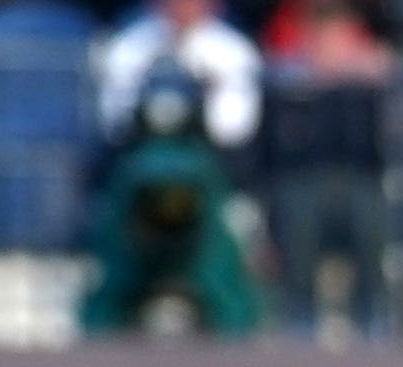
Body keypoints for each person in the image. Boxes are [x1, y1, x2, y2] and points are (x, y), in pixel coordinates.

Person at [265, 0, 403, 333]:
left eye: (336, 33)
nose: (328, 44)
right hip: (303, 184)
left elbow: (396, 140)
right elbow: (272, 150)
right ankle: (300, 317)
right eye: (320, 33)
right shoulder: (287, 82)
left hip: (362, 182)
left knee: (369, 215)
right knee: (299, 213)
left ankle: (371, 316)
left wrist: (368, 76)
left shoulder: (373, 83)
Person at [86, 71, 275, 329]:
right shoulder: (129, 160)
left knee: (241, 232)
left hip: (203, 252)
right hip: (137, 254)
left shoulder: (206, 158)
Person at [99, 0, 266, 146]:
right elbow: (113, 120)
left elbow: (235, 129)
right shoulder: (126, 47)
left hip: (210, 154)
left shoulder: (235, 51)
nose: (182, 6)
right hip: (140, 150)